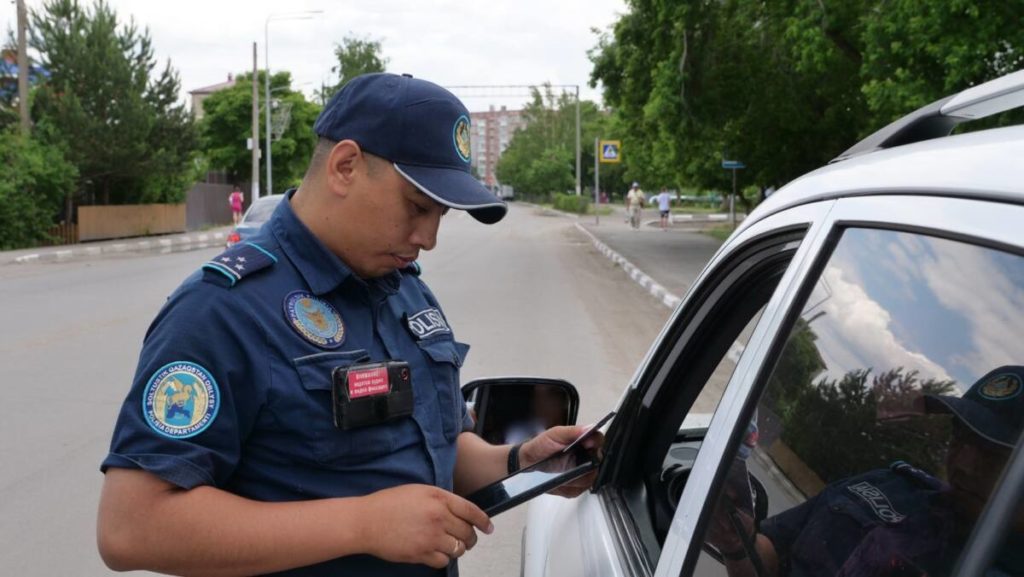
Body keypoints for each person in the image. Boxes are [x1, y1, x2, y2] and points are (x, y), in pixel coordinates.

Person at [96, 73, 602, 577]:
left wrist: (519, 463)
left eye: (441, 216)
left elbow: (432, 448)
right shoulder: (222, 311)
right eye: (417, 207)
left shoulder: (403, 288)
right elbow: (131, 528)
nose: (428, 238)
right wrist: (362, 524)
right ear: (345, 167)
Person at [706, 366, 1024, 577]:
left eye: (995, 455)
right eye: (960, 437)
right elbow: (769, 556)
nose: (964, 465)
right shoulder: (889, 484)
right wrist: (737, 542)